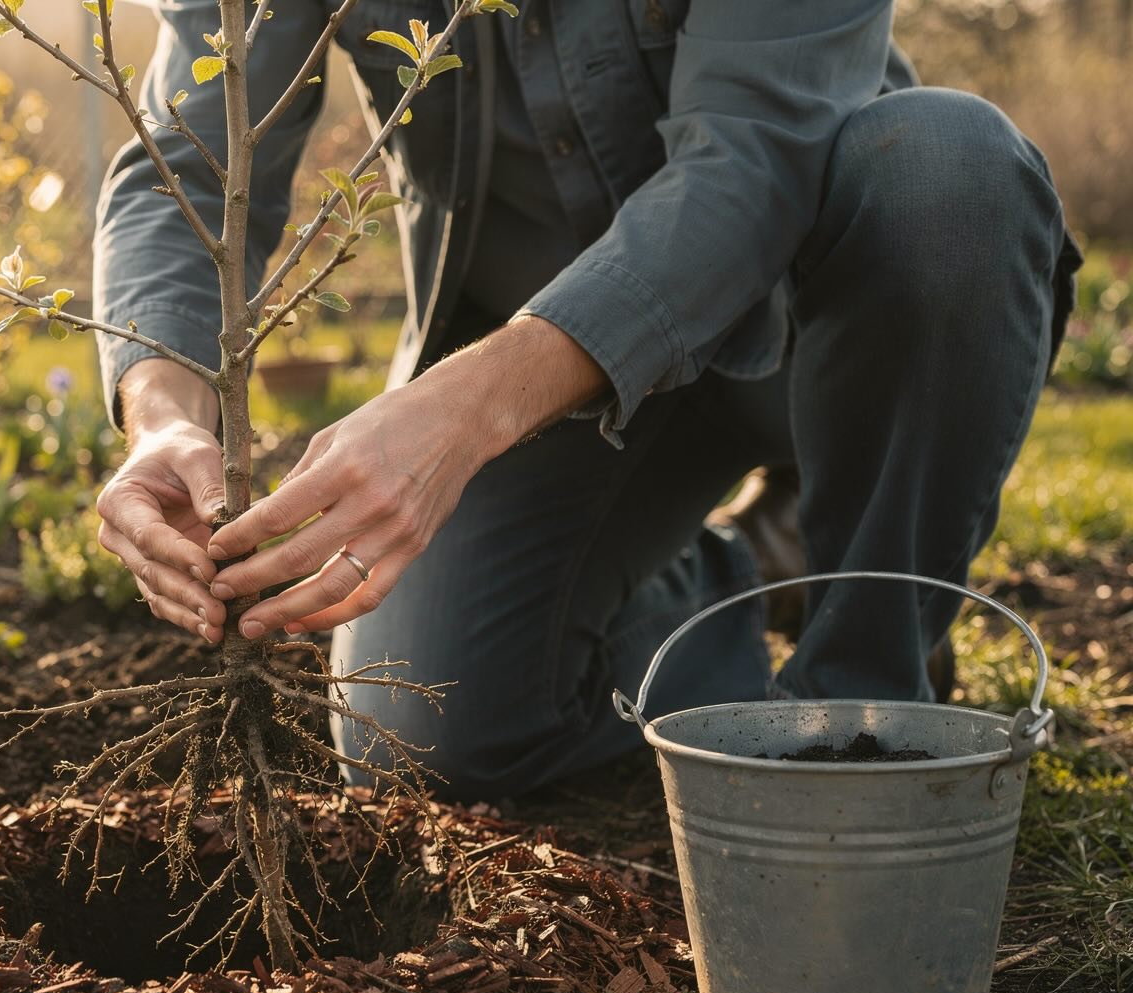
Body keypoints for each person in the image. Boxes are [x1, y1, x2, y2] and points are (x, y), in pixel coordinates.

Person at [90, 0, 1080, 801]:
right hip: (557, 405)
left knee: (949, 174)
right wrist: (165, 411)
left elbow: (753, 165)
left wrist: (459, 411)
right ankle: (733, 585)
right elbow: (185, 168)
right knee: (424, 728)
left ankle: (872, 692)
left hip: (812, 337)